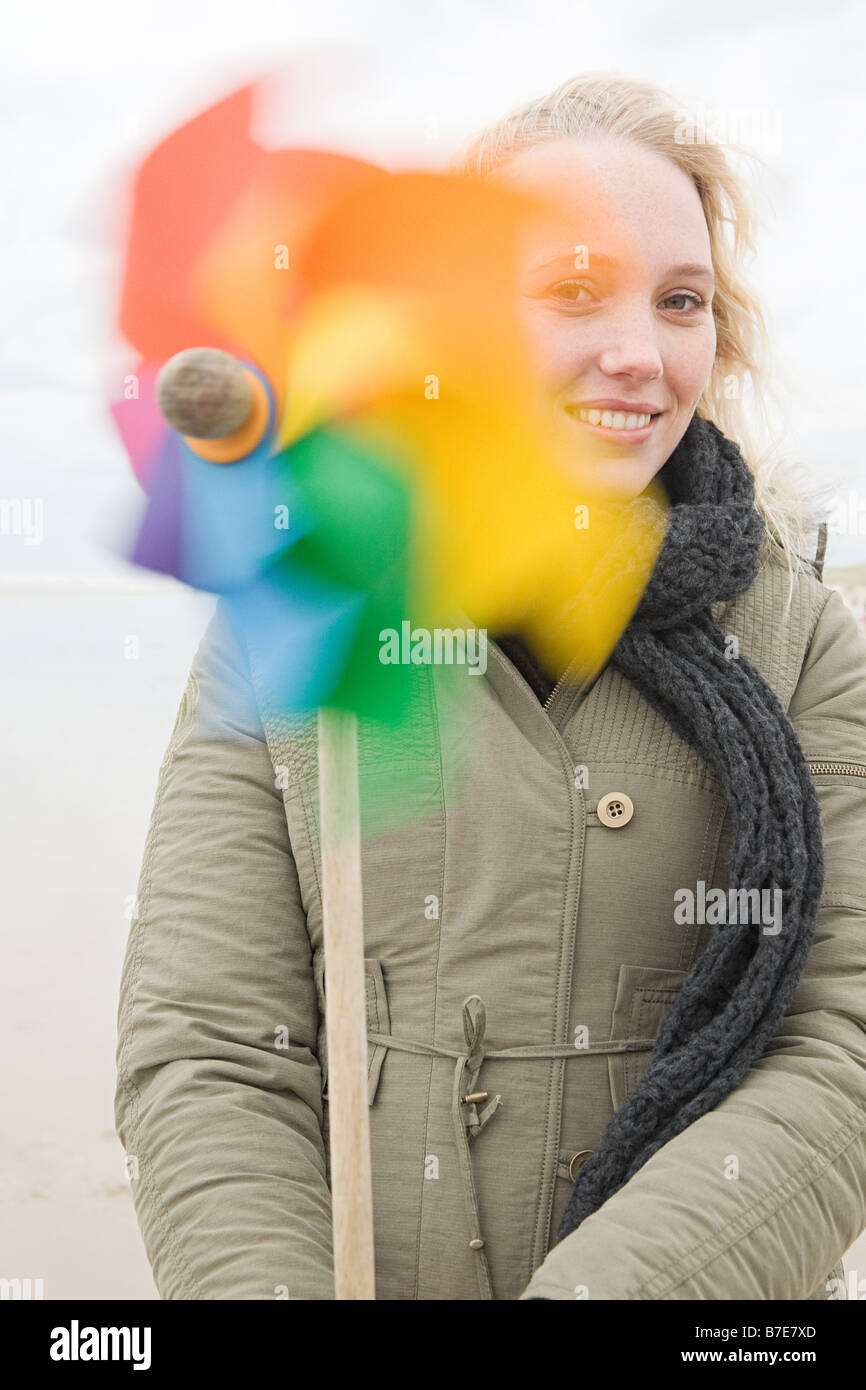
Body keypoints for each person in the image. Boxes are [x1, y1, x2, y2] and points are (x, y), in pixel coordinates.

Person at [114, 72, 866, 1300]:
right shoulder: (298, 615)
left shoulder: (799, 640)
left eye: (680, 300)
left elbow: (837, 1049)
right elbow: (208, 1048)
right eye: (573, 291)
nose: (637, 354)